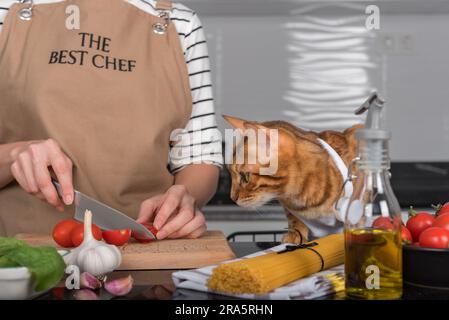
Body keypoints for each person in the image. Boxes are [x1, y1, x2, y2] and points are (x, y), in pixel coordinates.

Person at [0, 0, 223, 239]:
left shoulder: (181, 24)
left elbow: (198, 156)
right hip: (21, 258)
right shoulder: (6, 12)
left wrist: (184, 196)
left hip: (145, 249)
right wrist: (16, 154)